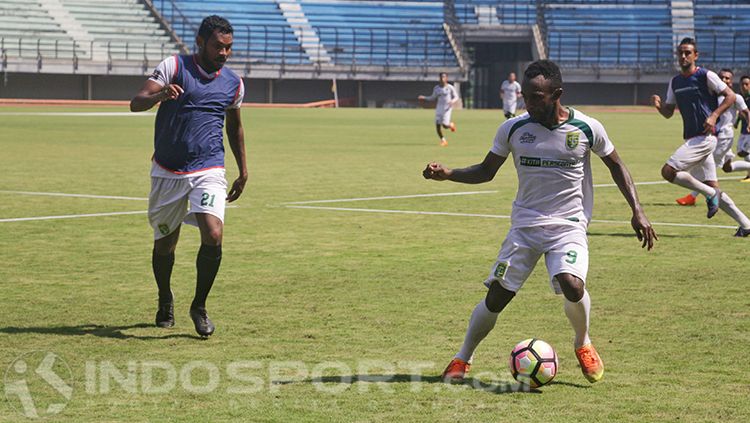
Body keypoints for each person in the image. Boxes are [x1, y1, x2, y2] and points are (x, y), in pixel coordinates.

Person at [423, 60, 657, 384]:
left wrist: (638, 210)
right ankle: (463, 357)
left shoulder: (587, 128)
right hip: (525, 226)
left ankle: (583, 342)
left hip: (569, 224)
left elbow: (617, 165)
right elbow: (486, 171)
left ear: (556, 94)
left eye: (536, 97)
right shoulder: (514, 129)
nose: (528, 104)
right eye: (525, 96)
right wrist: (448, 174)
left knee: (572, 285)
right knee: (497, 297)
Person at [129, 15, 248, 337]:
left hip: (209, 167)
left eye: (229, 48)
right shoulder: (173, 66)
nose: (224, 53)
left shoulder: (233, 83)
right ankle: (165, 297)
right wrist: (159, 96)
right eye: (218, 46)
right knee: (165, 243)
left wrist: (243, 169)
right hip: (168, 170)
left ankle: (199, 306)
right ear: (200, 41)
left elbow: (234, 126)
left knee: (213, 233)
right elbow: (135, 103)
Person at [651, 38, 750, 237]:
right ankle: (746, 224)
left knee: (668, 171)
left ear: (696, 55)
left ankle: (710, 194)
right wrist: (659, 107)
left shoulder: (706, 75)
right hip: (693, 138)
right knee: (714, 187)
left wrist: (714, 115)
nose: (684, 56)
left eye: (688, 52)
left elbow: (730, 96)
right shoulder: (675, 82)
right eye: (681, 53)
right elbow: (669, 112)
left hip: (705, 138)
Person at [675, 69, 750, 205]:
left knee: (709, 167)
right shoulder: (711, 95)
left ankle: (692, 196)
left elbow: (746, 112)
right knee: (727, 168)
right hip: (713, 135)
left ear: (731, 82)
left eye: (727, 78)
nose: (724, 80)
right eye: (722, 77)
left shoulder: (734, 97)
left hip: (724, 137)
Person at [418, 72, 460, 146]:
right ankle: (443, 140)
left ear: (446, 78)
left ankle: (450, 125)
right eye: (441, 77)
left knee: (445, 125)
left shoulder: (450, 87)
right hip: (439, 108)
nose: (442, 78)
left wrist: (452, 101)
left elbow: (456, 97)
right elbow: (432, 97)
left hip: (447, 108)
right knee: (437, 125)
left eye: (444, 77)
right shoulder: (436, 88)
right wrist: (424, 98)